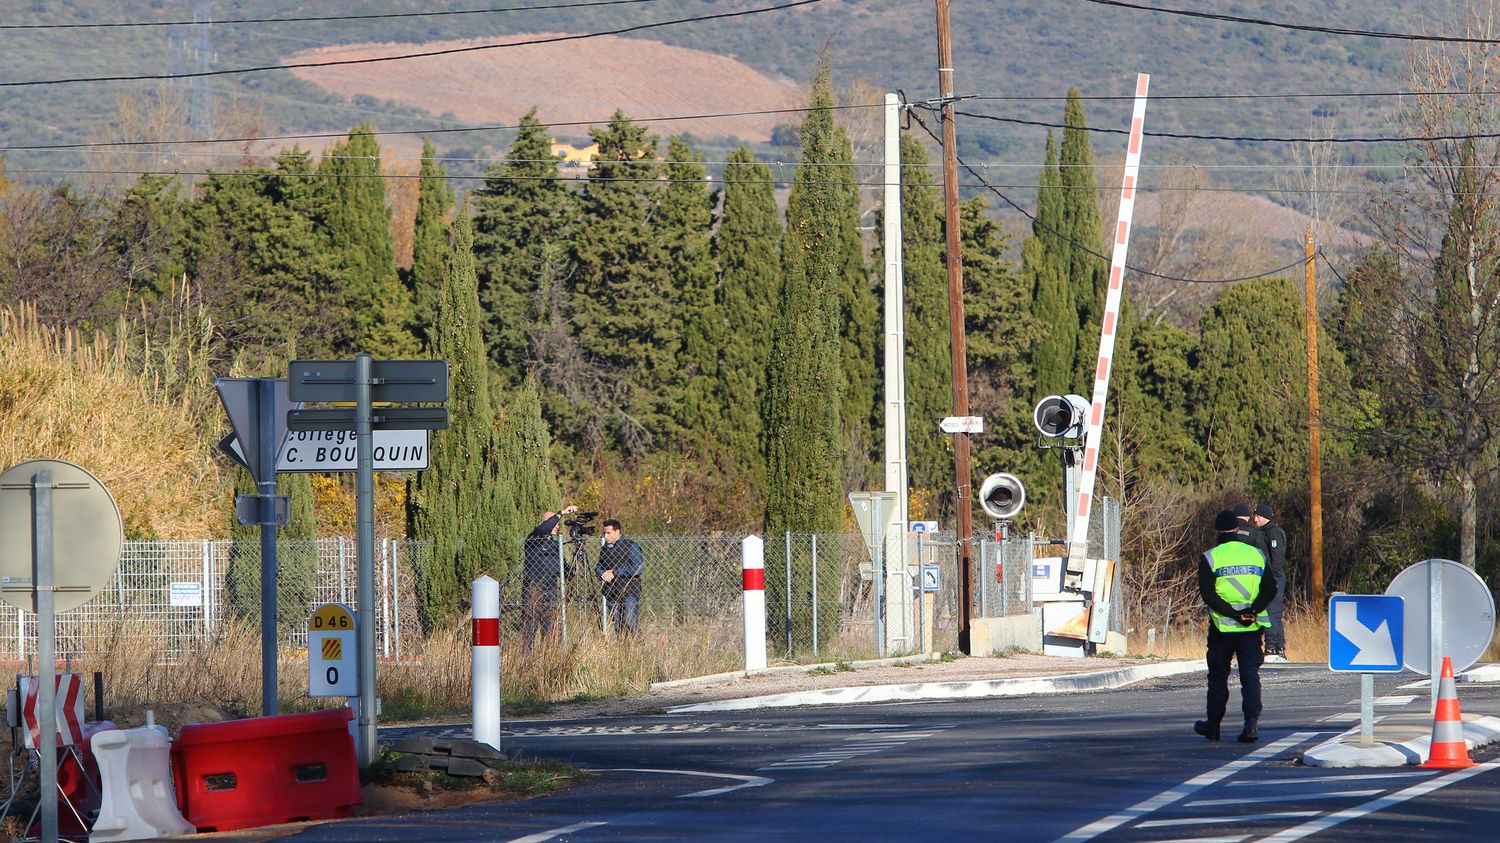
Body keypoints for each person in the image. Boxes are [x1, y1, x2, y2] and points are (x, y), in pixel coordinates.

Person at [1194, 509, 1278, 743]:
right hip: (1251, 628)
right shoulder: (1257, 555)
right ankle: (1251, 726)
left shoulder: (1210, 557)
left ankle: (1213, 726)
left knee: (1218, 678)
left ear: (1218, 531)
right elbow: (1270, 589)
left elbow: (1208, 595)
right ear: (1237, 529)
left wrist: (1233, 613)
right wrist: (1251, 611)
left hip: (1223, 629)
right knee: (1250, 677)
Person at [520, 504, 578, 648]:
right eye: (554, 523)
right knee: (530, 626)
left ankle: (548, 657)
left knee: (548, 628)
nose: (557, 526)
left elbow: (564, 570)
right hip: (533, 589)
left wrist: (575, 565)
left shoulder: (555, 545)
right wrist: (562, 513)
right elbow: (545, 528)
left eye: (558, 524)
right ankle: (526, 659)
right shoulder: (533, 539)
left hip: (550, 590)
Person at [1253, 503, 1289, 661]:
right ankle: (1279, 648)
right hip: (1270, 577)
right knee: (1274, 613)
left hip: (1275, 578)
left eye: (1258, 516)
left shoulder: (1274, 532)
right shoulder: (1265, 532)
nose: (1255, 519)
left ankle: (1272, 647)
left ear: (1265, 516)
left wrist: (1272, 578)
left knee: (1271, 613)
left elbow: (1277, 558)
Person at [595, 518, 643, 633]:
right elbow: (598, 566)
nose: (605, 536)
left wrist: (614, 572)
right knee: (617, 625)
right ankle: (621, 648)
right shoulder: (605, 549)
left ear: (617, 532)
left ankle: (638, 646)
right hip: (612, 592)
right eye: (604, 533)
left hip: (629, 591)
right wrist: (602, 574)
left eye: (608, 533)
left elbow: (637, 568)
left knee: (630, 622)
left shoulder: (631, 546)